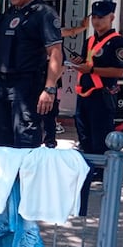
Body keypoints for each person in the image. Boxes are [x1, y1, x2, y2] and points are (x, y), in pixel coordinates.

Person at [0, 0, 63, 148]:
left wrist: (49, 89)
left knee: (26, 138)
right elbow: (4, 51)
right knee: (3, 140)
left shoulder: (43, 13)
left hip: (27, 84)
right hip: (2, 84)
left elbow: (55, 52)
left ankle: (26, 176)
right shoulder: (7, 15)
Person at [71, 1, 123, 160]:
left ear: (111, 17)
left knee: (100, 136)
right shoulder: (89, 40)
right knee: (84, 136)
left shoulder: (118, 42)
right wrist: (79, 62)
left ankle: (101, 172)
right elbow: (88, 62)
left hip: (102, 95)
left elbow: (120, 71)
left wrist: (92, 70)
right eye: (94, 17)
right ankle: (88, 169)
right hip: (84, 94)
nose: (96, 21)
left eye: (101, 17)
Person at [41, 16, 91, 148]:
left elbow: (71, 31)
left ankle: (49, 141)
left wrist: (84, 27)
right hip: (36, 79)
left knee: (51, 111)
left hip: (54, 81)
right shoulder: (35, 35)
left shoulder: (55, 35)